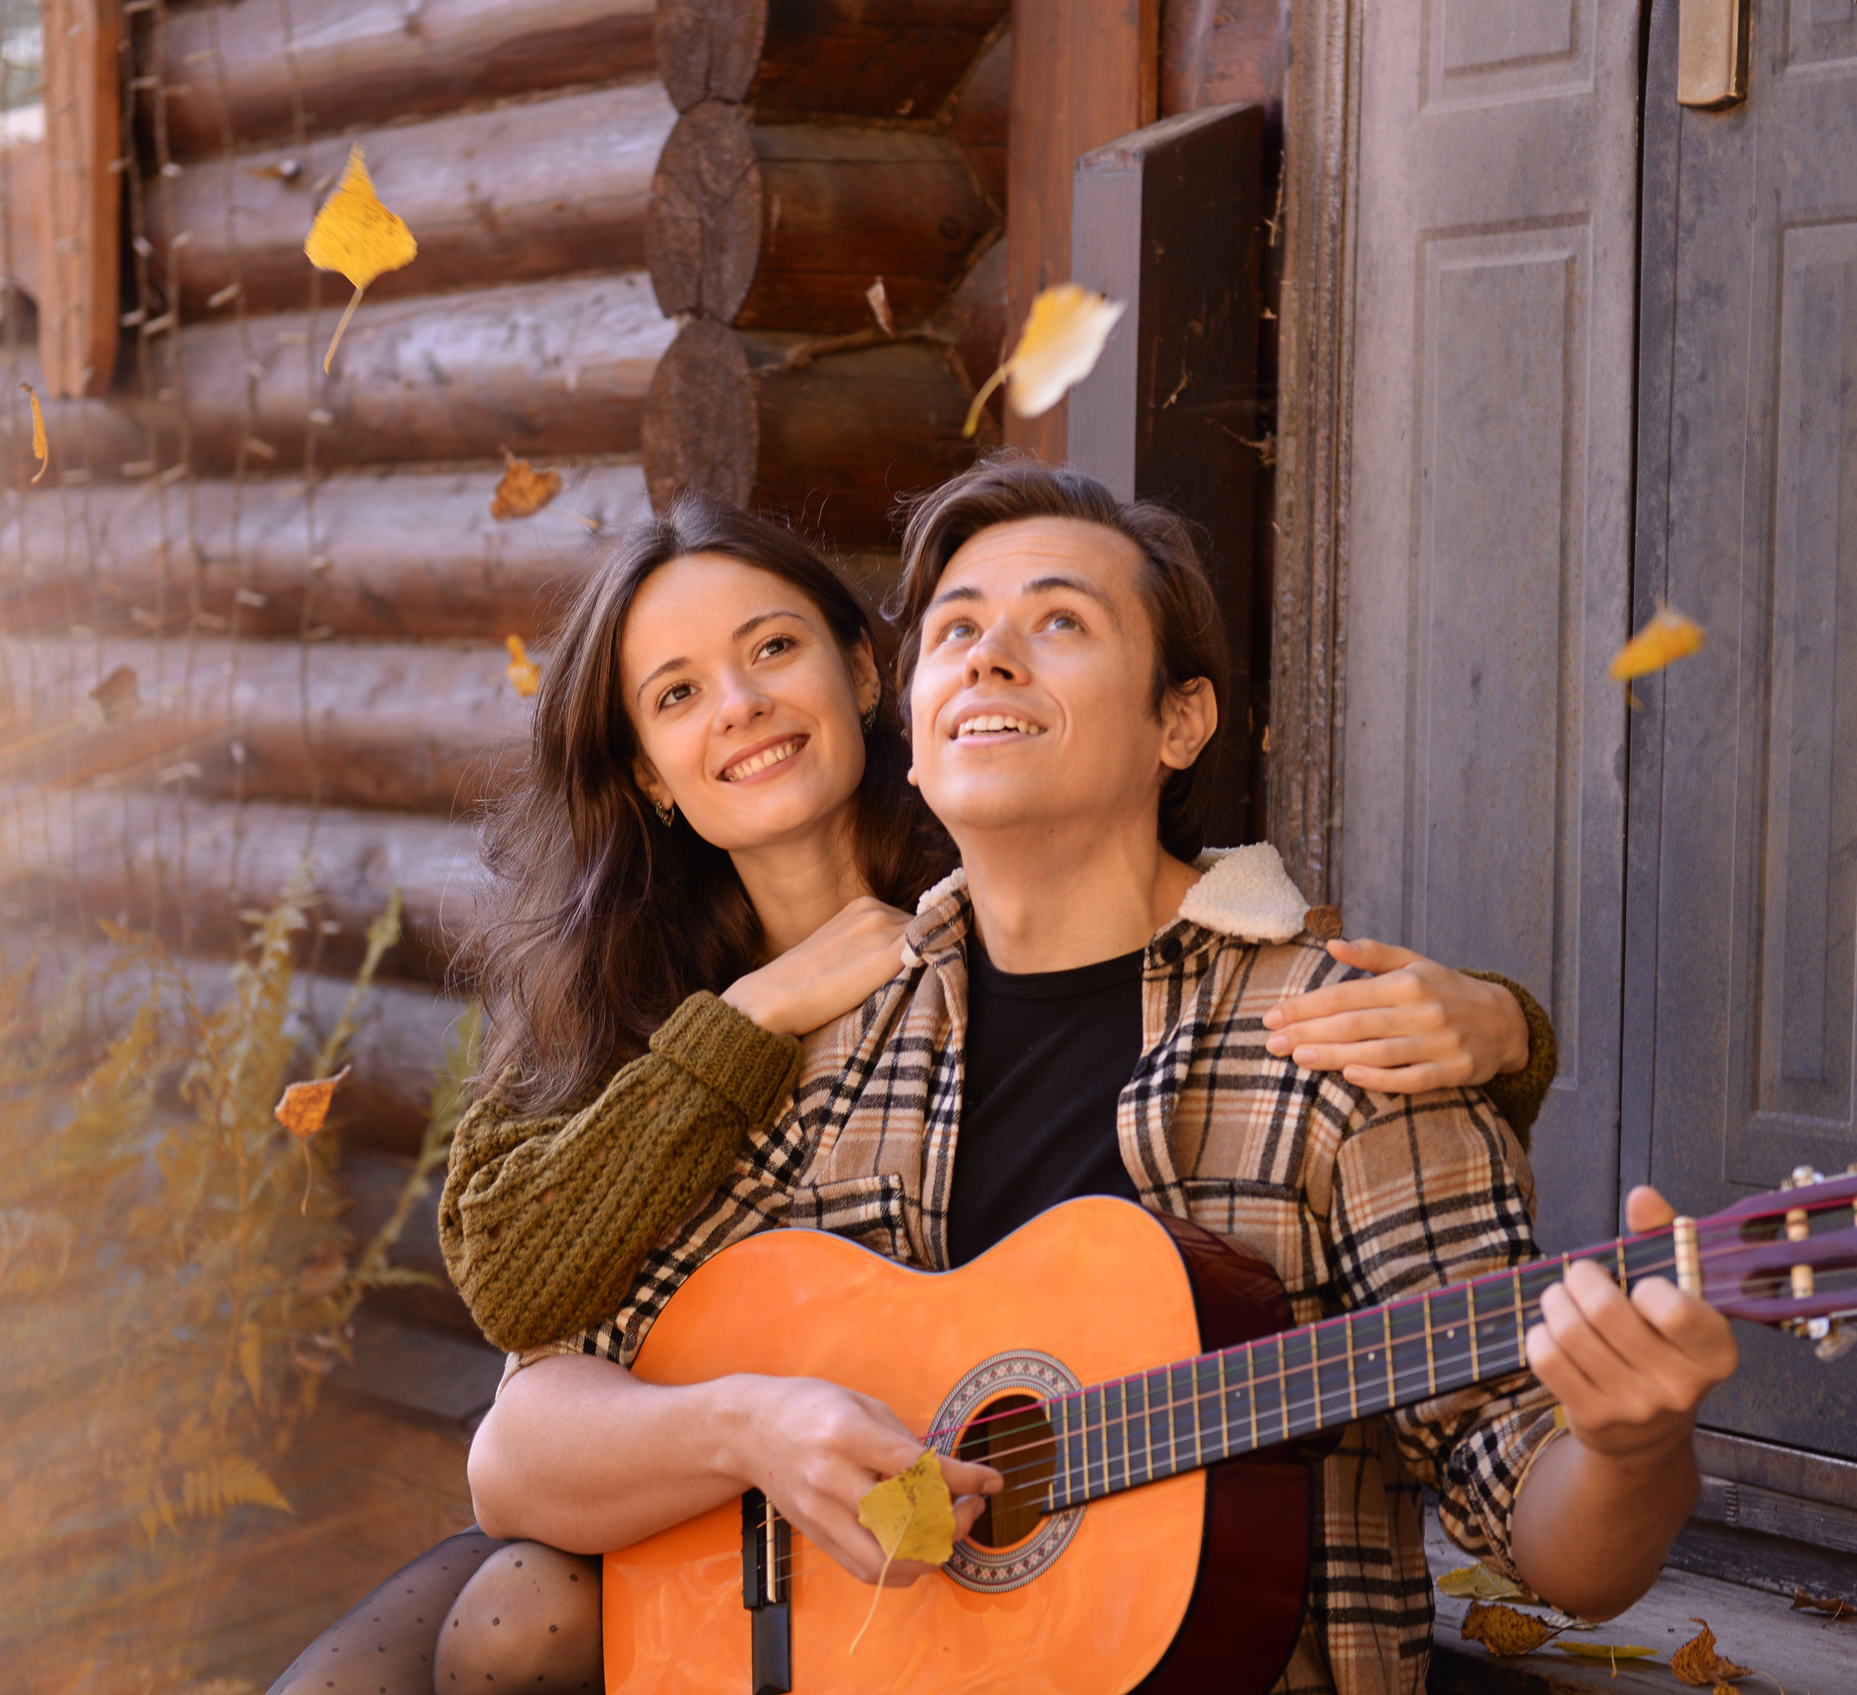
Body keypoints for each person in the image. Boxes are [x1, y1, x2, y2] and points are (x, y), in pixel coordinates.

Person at [266, 490, 1563, 1695]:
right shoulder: (630, 982)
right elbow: (517, 1296)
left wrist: (1509, 1028)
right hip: (724, 1517)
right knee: (503, 1615)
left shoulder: (995, 849)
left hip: (977, 1573)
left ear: (864, 670)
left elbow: (1225, 971)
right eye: (677, 693)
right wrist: (747, 1020)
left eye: (773, 649)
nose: (740, 706)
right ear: (647, 768)